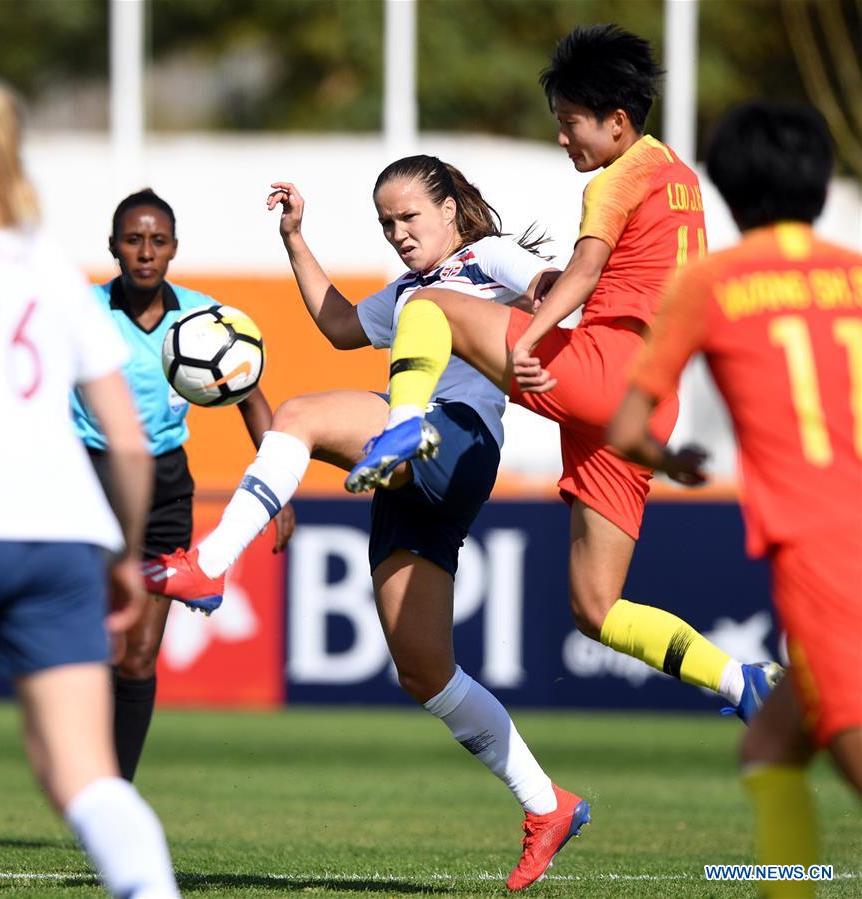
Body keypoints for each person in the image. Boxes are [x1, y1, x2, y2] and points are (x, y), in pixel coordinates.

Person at [141, 154, 591, 890]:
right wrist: (295, 238)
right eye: (386, 223)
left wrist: (548, 327)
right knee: (424, 671)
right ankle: (548, 805)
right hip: (407, 475)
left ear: (450, 209)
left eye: (410, 216)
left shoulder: (486, 259)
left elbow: (556, 290)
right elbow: (341, 325)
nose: (398, 233)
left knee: (298, 415)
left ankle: (213, 561)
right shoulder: (410, 289)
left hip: (454, 438)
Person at [348, 24, 778, 735]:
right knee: (597, 607)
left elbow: (581, 271)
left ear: (616, 121)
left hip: (603, 369)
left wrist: (537, 336)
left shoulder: (621, 175)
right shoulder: (681, 178)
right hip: (644, 406)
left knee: (428, 304)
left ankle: (402, 426)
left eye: (569, 123)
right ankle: (739, 678)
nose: (561, 138)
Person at [608, 100, 861, 899]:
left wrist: (668, 458)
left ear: (724, 187)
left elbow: (626, 423)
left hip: (821, 539)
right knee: (769, 751)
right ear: (819, 185)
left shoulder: (711, 282)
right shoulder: (855, 273)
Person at [0, 78, 180, 899]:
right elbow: (130, 444)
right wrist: (119, 551)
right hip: (63, 534)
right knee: (85, 774)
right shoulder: (51, 270)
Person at [70, 188, 292, 782]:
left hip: (166, 485)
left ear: (173, 248)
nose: (145, 252)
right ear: (113, 247)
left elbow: (252, 400)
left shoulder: (202, 319)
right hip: (89, 479)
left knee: (139, 655)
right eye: (133, 240)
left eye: (157, 240)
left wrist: (279, 490)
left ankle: (113, 794)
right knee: (85, 644)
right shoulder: (80, 310)